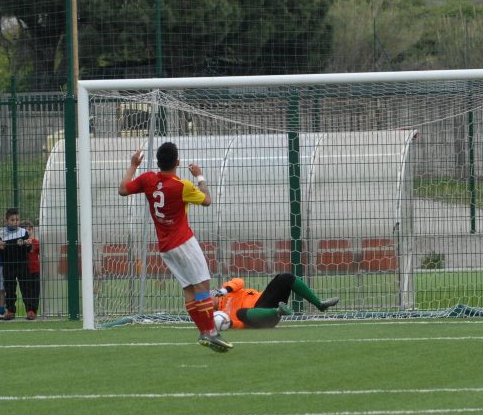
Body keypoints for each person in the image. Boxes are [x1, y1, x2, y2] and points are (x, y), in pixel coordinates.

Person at [118, 142, 231, 353]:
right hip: (184, 242)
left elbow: (123, 189)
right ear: (177, 162)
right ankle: (212, 332)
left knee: (189, 288)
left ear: (158, 163)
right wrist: (200, 177)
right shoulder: (182, 186)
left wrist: (134, 165)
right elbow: (207, 200)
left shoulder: (148, 179)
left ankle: (203, 333)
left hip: (166, 248)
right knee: (203, 287)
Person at [214, 273, 339, 329]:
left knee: (285, 277)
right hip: (262, 319)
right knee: (240, 313)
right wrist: (230, 324)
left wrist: (224, 290)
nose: (210, 299)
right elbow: (242, 324)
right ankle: (279, 311)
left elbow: (239, 282)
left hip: (264, 302)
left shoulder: (226, 290)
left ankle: (320, 304)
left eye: (209, 296)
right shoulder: (221, 315)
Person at [0, 208, 29, 321]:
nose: (15, 222)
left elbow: (28, 248)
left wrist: (27, 244)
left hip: (22, 264)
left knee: (25, 288)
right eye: (12, 220)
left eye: (17, 219)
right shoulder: (0, 233)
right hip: (8, 265)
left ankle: (30, 311)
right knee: (10, 289)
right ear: (7, 220)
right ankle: (10, 311)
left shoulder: (23, 232)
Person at [20, 220, 41, 320]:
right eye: (25, 229)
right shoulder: (20, 242)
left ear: (32, 230)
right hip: (24, 270)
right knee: (26, 291)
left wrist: (32, 244)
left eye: (29, 229)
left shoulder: (35, 241)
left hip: (35, 270)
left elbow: (39, 250)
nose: (27, 231)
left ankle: (34, 310)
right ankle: (29, 310)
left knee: (35, 291)